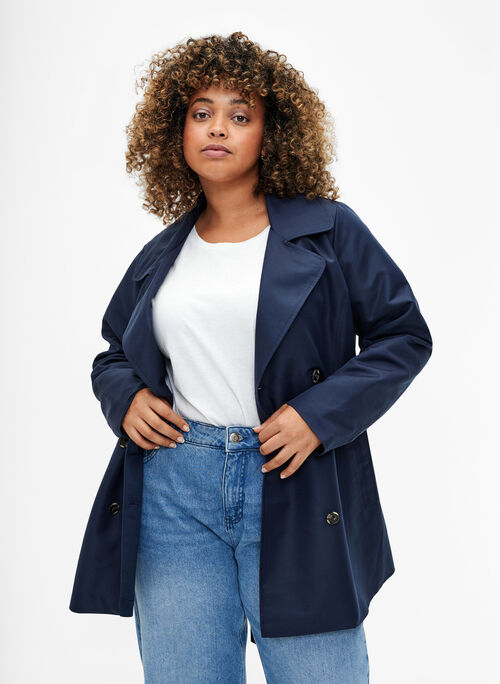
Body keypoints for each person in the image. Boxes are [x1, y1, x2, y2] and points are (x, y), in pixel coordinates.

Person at [76, 31, 432, 683]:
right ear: (177, 131)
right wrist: (125, 397)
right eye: (201, 112)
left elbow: (404, 335)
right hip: (175, 489)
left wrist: (319, 415)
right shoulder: (163, 253)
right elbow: (113, 353)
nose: (218, 128)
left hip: (292, 477)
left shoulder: (329, 230)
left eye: (240, 115)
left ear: (272, 134)